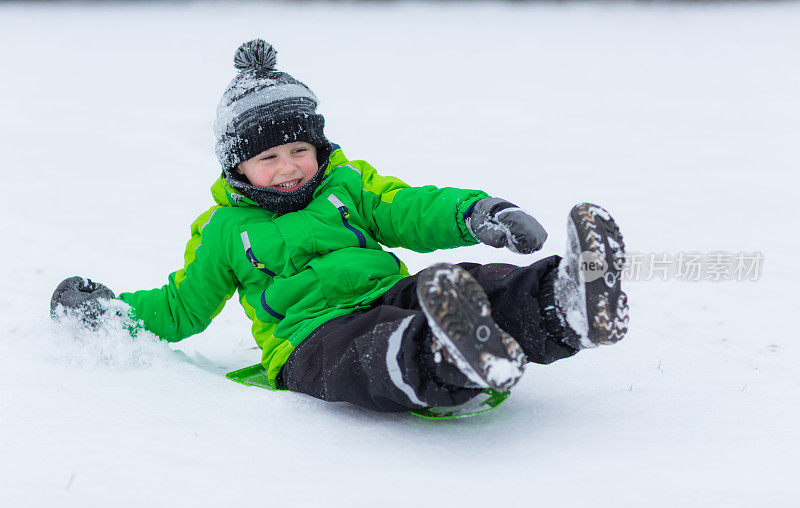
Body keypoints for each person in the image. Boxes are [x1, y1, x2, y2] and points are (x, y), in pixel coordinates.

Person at [50, 39, 629, 413]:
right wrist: (109, 314)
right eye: (267, 158)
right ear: (237, 166)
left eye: (299, 149)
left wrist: (478, 211)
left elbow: (409, 208)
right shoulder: (224, 230)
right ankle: (452, 357)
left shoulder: (346, 185)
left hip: (388, 292)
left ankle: (565, 301)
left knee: (464, 279)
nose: (289, 168)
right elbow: (182, 307)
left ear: (318, 146)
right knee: (367, 351)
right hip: (310, 339)